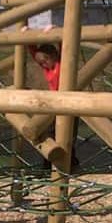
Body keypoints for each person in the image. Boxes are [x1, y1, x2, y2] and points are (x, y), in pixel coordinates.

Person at [28, 42, 79, 170]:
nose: (43, 65)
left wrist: (60, 37)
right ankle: (48, 164)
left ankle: (71, 163)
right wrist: (27, 35)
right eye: (41, 63)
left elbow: (65, 47)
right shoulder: (48, 69)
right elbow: (34, 52)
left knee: (68, 136)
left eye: (45, 61)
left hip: (68, 104)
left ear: (54, 56)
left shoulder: (60, 65)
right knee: (50, 134)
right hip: (55, 106)